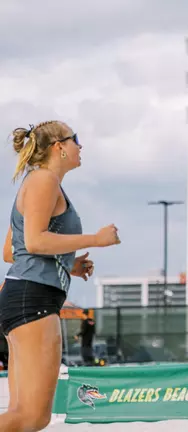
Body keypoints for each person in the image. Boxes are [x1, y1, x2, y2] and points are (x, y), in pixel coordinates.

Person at [0, 121, 120, 431]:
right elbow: (36, 242)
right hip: (33, 299)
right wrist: (96, 239)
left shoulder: (37, 181)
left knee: (23, 414)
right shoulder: (44, 181)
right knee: (31, 416)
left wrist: (69, 263)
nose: (81, 146)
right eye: (76, 139)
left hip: (24, 296)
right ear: (59, 147)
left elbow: (12, 251)